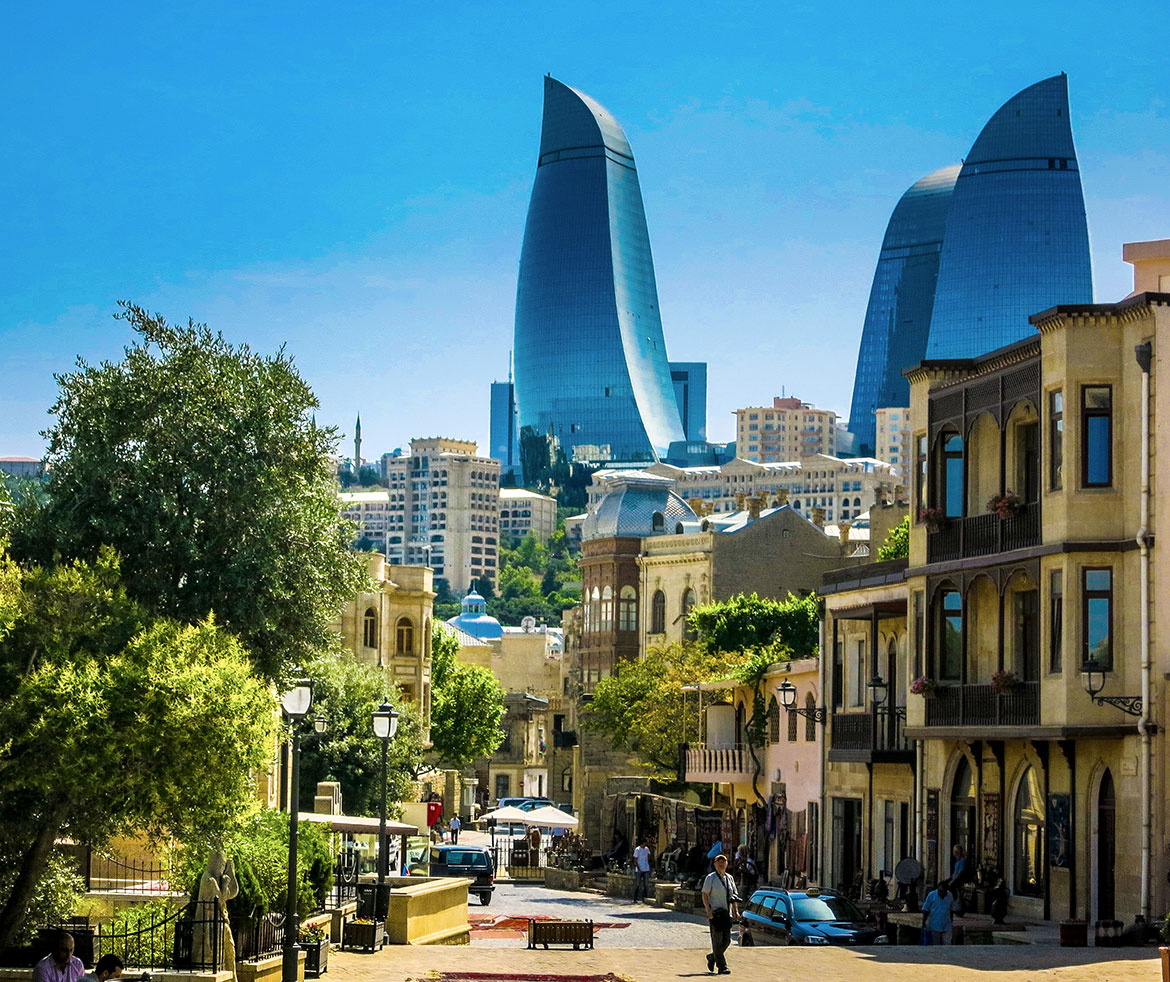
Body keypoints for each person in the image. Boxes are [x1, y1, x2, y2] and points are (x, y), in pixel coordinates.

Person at [701, 854, 739, 975]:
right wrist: (708, 910)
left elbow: (734, 897)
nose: (721, 864)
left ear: (727, 864)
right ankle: (722, 966)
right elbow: (705, 894)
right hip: (715, 914)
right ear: (715, 864)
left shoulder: (730, 878)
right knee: (717, 941)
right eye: (719, 862)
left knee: (726, 941)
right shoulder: (710, 878)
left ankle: (712, 957)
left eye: (723, 862)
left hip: (726, 914)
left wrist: (736, 911)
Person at [921, 878, 958, 945]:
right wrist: (923, 923)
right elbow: (925, 910)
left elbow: (951, 910)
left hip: (947, 925)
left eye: (943, 892)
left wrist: (951, 921)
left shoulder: (950, 896)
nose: (941, 893)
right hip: (934, 925)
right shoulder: (931, 895)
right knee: (936, 945)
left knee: (947, 944)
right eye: (940, 891)